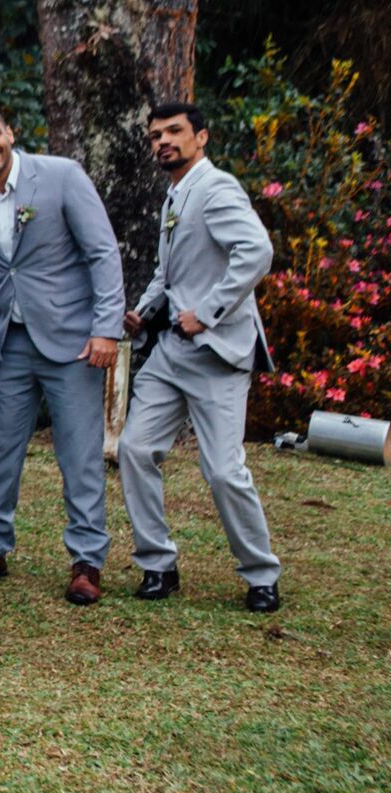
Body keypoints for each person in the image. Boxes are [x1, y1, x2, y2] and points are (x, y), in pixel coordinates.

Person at [0, 99, 124, 605]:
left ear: (10, 132)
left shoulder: (61, 176)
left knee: (79, 452)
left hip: (72, 339)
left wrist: (106, 329)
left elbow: (102, 252)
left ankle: (87, 560)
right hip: (8, 338)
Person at [119, 102, 282, 612]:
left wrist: (207, 312)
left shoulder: (216, 187)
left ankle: (260, 575)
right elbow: (170, 274)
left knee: (223, 471)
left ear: (201, 137)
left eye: (174, 132)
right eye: (155, 135)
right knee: (136, 450)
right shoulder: (174, 194)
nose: (163, 141)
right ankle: (157, 566)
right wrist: (144, 310)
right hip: (169, 353)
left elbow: (256, 252)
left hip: (215, 351)